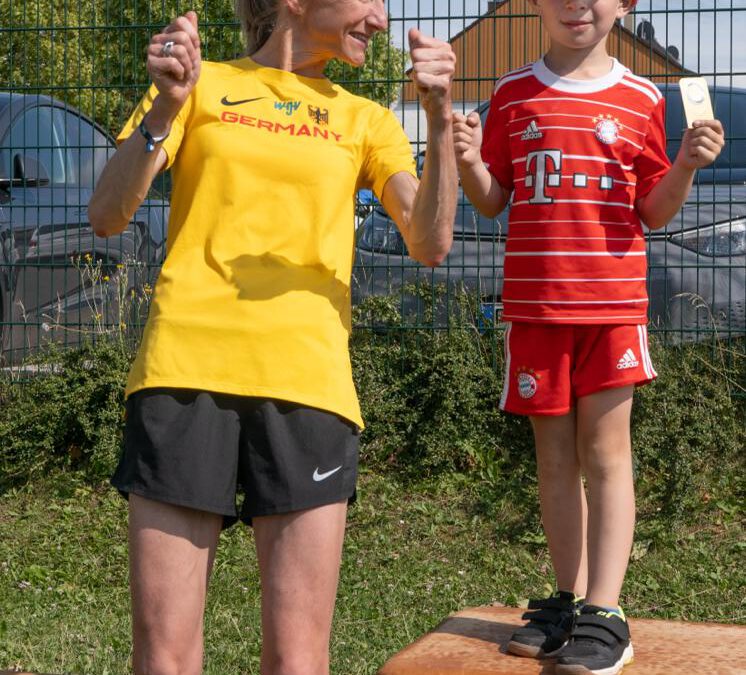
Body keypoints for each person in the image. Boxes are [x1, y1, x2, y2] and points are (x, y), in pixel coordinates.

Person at [88, 1, 457, 672]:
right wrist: (166, 111)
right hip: (184, 370)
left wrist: (437, 120)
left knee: (297, 658)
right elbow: (108, 214)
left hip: (308, 385)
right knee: (163, 653)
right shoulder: (198, 83)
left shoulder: (365, 118)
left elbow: (430, 242)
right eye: (367, 0)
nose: (379, 17)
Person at [453, 0, 724, 673]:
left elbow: (654, 210)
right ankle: (571, 600)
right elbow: (491, 197)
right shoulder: (511, 93)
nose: (578, 4)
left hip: (611, 308)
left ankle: (608, 611)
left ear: (625, 4)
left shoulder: (641, 96)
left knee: (606, 454)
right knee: (553, 459)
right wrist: (463, 156)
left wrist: (686, 164)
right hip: (538, 308)